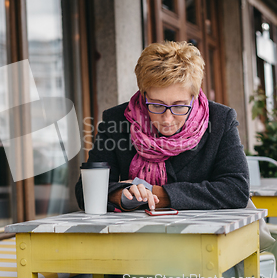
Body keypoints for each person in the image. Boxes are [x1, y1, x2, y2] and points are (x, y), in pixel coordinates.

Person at [75, 41, 249, 213]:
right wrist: (121, 194)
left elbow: (237, 189)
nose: (167, 119)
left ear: (193, 96)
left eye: (179, 106)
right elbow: (85, 190)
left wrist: (158, 194)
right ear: (144, 95)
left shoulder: (221, 119)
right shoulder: (116, 120)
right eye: (157, 105)